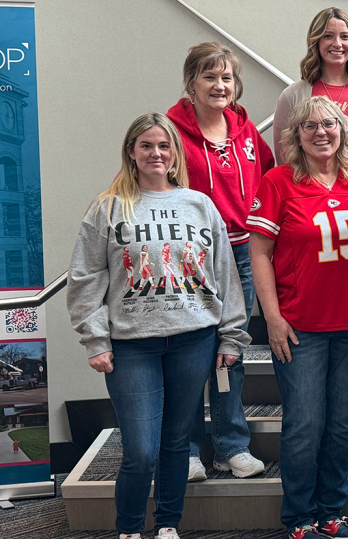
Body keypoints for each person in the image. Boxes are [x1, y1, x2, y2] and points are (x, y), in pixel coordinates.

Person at [67, 113, 250, 539]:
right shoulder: (108, 207)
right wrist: (95, 338)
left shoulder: (199, 204)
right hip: (132, 345)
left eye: (164, 146)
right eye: (146, 145)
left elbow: (225, 274)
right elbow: (85, 277)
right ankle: (130, 529)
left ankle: (168, 525)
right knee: (141, 449)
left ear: (175, 153)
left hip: (194, 339)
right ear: (131, 152)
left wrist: (232, 335)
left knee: (175, 443)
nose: (156, 153)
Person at [249, 96, 348, 539]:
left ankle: (331, 513)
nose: (321, 132)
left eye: (329, 124)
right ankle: (299, 518)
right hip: (300, 328)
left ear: (344, 130)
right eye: (310, 126)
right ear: (296, 135)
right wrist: (272, 318)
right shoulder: (278, 182)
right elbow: (259, 253)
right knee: (304, 426)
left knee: (342, 425)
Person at [167, 41, 273, 482]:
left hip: (242, 255)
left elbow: (270, 178)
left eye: (226, 77)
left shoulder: (245, 131)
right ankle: (188, 449)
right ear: (191, 82)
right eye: (209, 76)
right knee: (192, 352)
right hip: (192, 259)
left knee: (232, 351)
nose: (219, 85)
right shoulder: (172, 132)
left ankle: (231, 446)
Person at [274, 7, 348, 169]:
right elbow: (284, 155)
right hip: (310, 184)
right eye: (328, 36)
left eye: (345, 37)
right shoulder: (292, 95)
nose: (337, 44)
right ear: (316, 42)